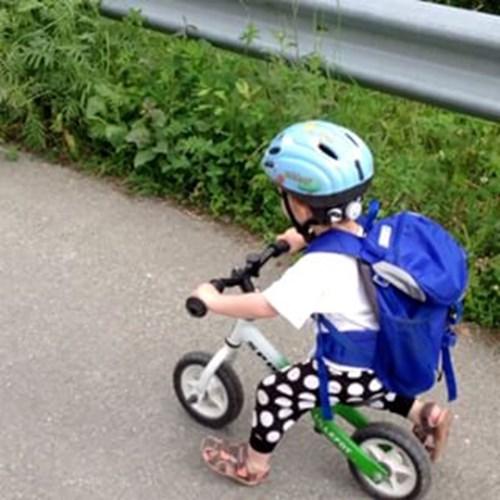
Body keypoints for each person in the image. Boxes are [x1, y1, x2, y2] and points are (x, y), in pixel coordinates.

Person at [192, 120, 453, 486]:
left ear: (300, 205)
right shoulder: (366, 228)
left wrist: (215, 300)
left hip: (352, 368)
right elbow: (338, 238)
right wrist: (300, 238)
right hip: (386, 355)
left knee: (276, 392)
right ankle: (426, 413)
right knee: (363, 385)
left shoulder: (319, 269)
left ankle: (252, 466)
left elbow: (267, 305)